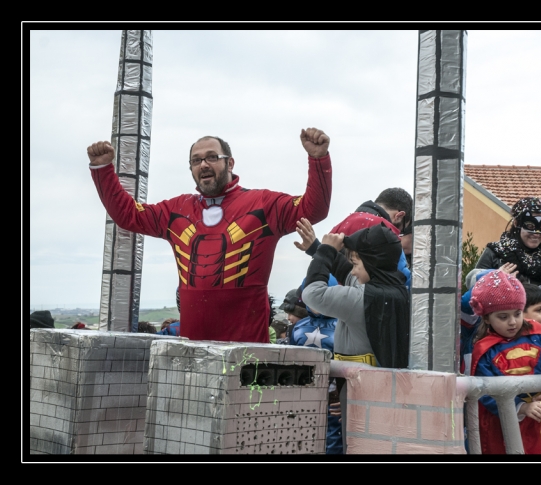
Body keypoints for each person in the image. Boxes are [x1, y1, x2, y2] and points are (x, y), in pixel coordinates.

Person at [87, 128, 332, 344]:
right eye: (196, 160)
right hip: (193, 351)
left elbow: (313, 210)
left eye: (212, 157)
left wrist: (318, 159)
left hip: (247, 350)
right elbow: (129, 216)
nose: (203, 164)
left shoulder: (263, 204)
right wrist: (102, 169)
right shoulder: (176, 210)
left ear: (230, 163)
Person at [302, 223, 410, 454]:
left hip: (360, 389)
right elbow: (350, 276)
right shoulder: (396, 289)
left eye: (356, 264)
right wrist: (315, 247)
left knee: (357, 448)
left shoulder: (360, 300)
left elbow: (312, 294)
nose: (351, 271)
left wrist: (325, 253)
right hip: (380, 386)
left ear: (372, 263)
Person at [469, 270, 541, 454]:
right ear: (486, 318)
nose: (513, 322)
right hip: (506, 428)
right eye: (503, 317)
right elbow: (485, 392)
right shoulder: (484, 350)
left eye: (517, 313)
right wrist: (522, 407)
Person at [294, 187, 413, 287]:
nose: (399, 236)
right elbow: (402, 278)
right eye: (401, 231)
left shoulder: (340, 226)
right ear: (399, 216)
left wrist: (315, 247)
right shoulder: (385, 231)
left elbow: (332, 267)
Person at [289, 276, 342, 454]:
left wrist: (346, 397)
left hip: (333, 397)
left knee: (333, 442)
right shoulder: (298, 327)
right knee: (298, 440)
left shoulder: (344, 326)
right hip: (299, 396)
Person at [475, 197, 541, 294]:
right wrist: (494, 278)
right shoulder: (495, 253)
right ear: (517, 223)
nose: (536, 234)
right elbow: (476, 290)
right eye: (530, 226)